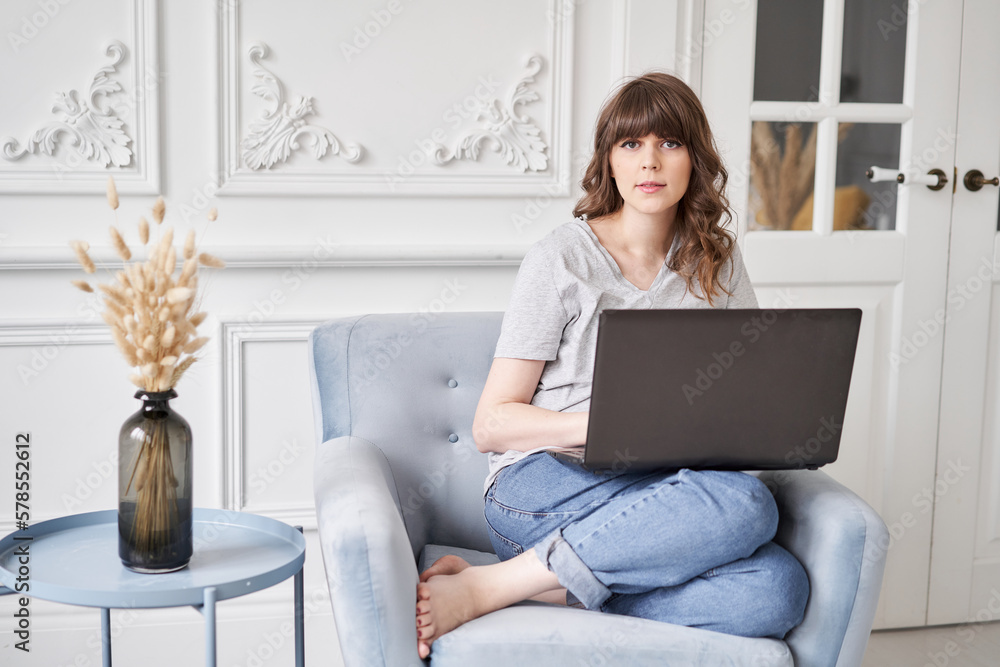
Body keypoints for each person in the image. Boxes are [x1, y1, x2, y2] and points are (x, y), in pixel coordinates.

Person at [414, 72, 809, 660]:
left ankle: (528, 586)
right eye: (631, 144)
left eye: (670, 143)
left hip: (661, 493)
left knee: (777, 589)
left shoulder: (718, 261)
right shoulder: (561, 258)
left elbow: (744, 394)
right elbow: (491, 425)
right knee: (746, 506)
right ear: (609, 161)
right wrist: (611, 427)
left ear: (695, 159)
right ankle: (488, 587)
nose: (650, 161)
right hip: (544, 482)